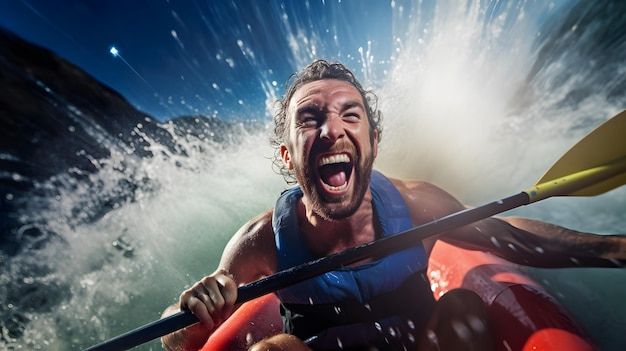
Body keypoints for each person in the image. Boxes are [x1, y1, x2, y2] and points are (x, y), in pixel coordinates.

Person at [161, 60, 625, 351]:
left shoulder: (416, 204)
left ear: (373, 141)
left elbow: (510, 240)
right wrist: (193, 307)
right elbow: (175, 338)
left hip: (419, 345)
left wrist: (611, 248)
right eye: (310, 119)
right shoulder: (260, 242)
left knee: (462, 308)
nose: (331, 130)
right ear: (288, 155)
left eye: (350, 114)